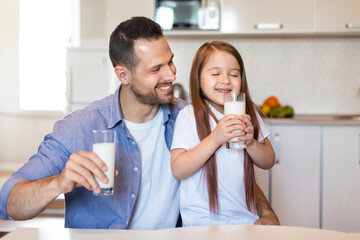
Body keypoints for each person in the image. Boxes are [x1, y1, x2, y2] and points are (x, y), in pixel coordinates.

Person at [0, 17, 279, 229]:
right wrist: (57, 183)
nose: (171, 75)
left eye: (170, 62)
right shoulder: (79, 127)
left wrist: (266, 214)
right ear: (123, 74)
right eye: (156, 69)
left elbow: (231, 173)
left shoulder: (189, 117)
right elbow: (8, 201)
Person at [171, 41, 276, 227]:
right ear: (198, 78)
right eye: (215, 73)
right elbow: (178, 169)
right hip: (201, 223)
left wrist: (251, 143)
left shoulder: (249, 114)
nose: (226, 80)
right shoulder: (189, 115)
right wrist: (216, 137)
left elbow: (268, 161)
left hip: (246, 221)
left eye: (234, 74)